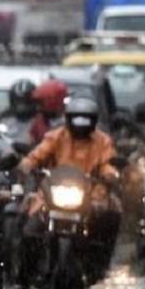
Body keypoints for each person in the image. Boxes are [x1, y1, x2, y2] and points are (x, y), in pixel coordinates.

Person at [19, 96, 122, 272]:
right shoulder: (55, 136)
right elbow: (36, 156)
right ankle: (26, 275)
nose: (80, 124)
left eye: (85, 119)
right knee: (30, 229)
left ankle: (100, 265)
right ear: (67, 119)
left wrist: (109, 174)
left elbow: (107, 163)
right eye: (76, 118)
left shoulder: (102, 140)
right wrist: (28, 165)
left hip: (90, 194)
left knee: (112, 212)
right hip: (52, 193)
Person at [29, 78, 69, 145]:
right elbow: (32, 140)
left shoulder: (69, 121)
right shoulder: (39, 120)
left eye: (41, 103)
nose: (38, 107)